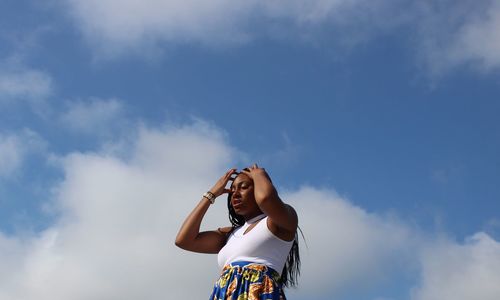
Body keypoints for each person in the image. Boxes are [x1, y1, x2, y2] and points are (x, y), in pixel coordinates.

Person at [175, 164, 300, 299]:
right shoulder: (231, 234)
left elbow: (265, 198)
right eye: (232, 189)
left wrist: (259, 174)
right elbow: (184, 240)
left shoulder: (280, 222)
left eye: (244, 187)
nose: (235, 194)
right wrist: (211, 194)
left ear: (259, 186)